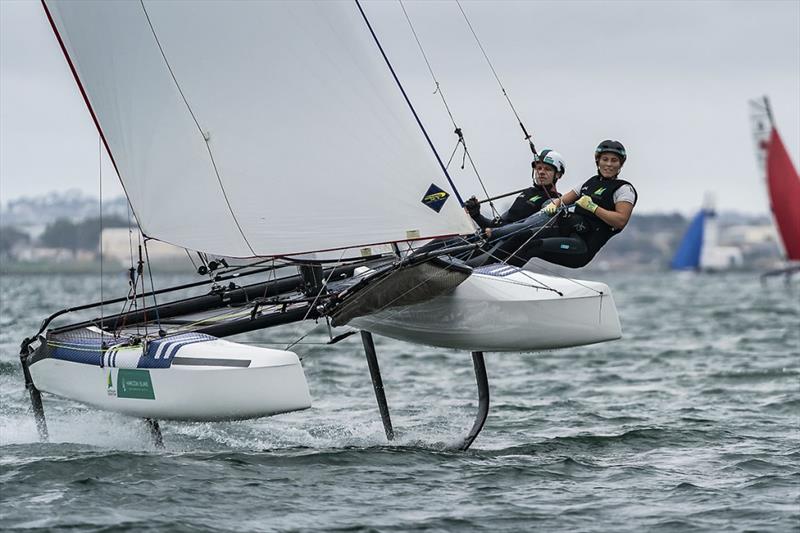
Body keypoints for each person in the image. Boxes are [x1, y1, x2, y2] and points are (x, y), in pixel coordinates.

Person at [467, 140, 637, 268]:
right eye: (605, 159)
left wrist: (594, 208)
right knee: (520, 236)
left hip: (581, 248)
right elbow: (560, 201)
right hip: (566, 234)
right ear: (597, 161)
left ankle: (495, 276)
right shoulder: (588, 184)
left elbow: (620, 220)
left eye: (614, 160)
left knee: (532, 246)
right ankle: (484, 271)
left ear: (621, 163)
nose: (608, 164)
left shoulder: (624, 189)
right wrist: (550, 208)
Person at [464, 149, 565, 229]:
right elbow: (497, 225)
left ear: (558, 175)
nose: (541, 172)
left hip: (512, 246)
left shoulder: (556, 200)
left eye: (547, 169)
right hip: (495, 238)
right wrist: (476, 214)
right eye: (538, 168)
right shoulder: (527, 192)